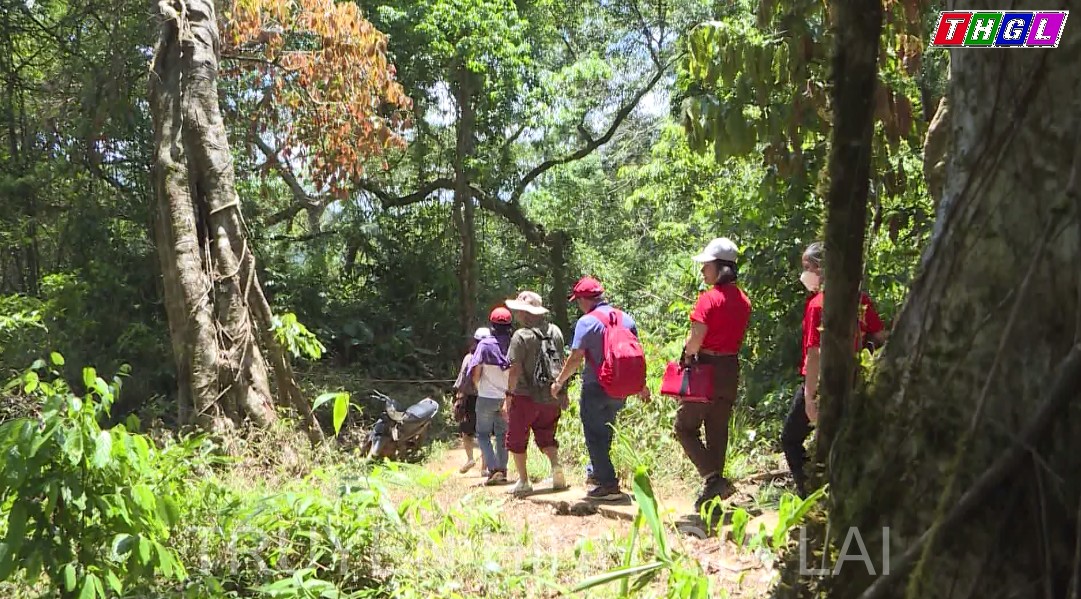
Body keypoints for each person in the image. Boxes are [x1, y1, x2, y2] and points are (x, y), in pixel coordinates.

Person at [782, 241, 887, 497]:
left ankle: (811, 497)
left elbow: (815, 352)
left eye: (807, 267)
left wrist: (809, 397)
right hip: (857, 379)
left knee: (791, 438)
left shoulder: (818, 305)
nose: (804, 274)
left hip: (824, 383)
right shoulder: (859, 300)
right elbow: (881, 335)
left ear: (820, 268)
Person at [551, 276, 649, 500]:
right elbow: (633, 356)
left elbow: (576, 357)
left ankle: (607, 485)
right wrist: (641, 386)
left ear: (585, 300)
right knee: (605, 432)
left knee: (594, 435)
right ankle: (596, 473)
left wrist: (559, 382)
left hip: (597, 385)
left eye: (578, 301)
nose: (578, 305)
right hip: (621, 387)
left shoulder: (587, 322)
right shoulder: (626, 318)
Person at [676, 237, 752, 510]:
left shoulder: (709, 300)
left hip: (705, 367)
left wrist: (686, 356)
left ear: (720, 268)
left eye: (706, 266)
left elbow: (696, 339)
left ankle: (713, 479)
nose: (703, 271)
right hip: (730, 369)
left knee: (684, 427)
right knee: (717, 429)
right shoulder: (744, 300)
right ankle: (713, 490)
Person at [503, 290, 569, 497]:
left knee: (517, 437)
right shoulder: (555, 331)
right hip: (552, 395)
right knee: (547, 434)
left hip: (525, 396)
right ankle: (556, 469)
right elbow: (563, 361)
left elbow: (514, 369)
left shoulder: (520, 336)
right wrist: (563, 391)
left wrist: (508, 396)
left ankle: (523, 481)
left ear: (524, 313)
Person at [469, 307, 514, 485]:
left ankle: (493, 468)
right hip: (507, 398)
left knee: (482, 434)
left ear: (492, 325)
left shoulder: (485, 344)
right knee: (503, 434)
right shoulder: (514, 343)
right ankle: (502, 470)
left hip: (486, 396)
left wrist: (478, 385)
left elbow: (476, 369)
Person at [452, 327, 489, 474]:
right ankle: (485, 468)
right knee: (485, 433)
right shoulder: (494, 358)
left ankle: (470, 458)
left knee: (467, 432)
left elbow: (462, 380)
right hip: (488, 398)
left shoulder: (469, 358)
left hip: (471, 399)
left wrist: (459, 398)